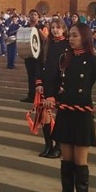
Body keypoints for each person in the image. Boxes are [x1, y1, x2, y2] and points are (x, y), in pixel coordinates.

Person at [48, 23, 96, 192]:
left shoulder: (92, 59)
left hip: (82, 115)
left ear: (84, 37)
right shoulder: (65, 58)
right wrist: (51, 96)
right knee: (66, 163)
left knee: (80, 164)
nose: (71, 38)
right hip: (65, 114)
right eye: (70, 35)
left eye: (75, 35)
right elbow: (54, 83)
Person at [37, 17, 69, 158]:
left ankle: (59, 146)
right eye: (53, 27)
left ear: (63, 29)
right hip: (47, 83)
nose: (55, 30)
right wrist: (39, 83)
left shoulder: (68, 45)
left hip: (62, 85)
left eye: (58, 27)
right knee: (45, 115)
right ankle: (48, 144)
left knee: (61, 117)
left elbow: (69, 68)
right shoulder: (46, 43)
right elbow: (40, 64)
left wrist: (63, 85)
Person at [21, 9, 46, 103]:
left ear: (38, 17)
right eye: (31, 14)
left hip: (39, 55)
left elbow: (46, 39)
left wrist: (38, 29)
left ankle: (39, 96)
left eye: (35, 14)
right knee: (30, 76)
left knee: (38, 76)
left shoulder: (43, 27)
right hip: (28, 55)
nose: (33, 16)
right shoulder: (25, 27)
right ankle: (31, 96)